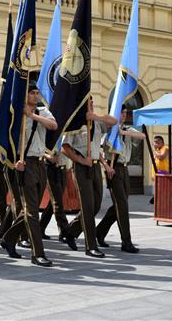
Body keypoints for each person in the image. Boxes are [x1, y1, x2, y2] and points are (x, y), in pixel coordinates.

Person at [0, 84, 58, 266]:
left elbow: (53, 125)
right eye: (31, 93)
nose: (34, 95)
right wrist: (15, 161)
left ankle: (8, 238)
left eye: (35, 93)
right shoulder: (16, 114)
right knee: (32, 212)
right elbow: (6, 140)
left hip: (41, 164)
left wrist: (32, 115)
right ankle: (37, 253)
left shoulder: (42, 111)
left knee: (29, 209)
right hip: (25, 164)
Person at [60, 95, 118, 257]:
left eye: (92, 102)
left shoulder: (97, 121)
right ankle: (90, 246)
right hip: (81, 167)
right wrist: (80, 160)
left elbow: (113, 121)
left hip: (95, 166)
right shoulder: (75, 123)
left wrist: (95, 116)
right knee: (87, 206)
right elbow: (65, 147)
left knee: (97, 205)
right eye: (88, 103)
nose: (91, 104)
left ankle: (70, 232)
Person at [96, 106, 144, 253]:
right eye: (122, 113)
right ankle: (126, 242)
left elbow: (142, 136)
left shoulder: (128, 129)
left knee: (119, 205)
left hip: (124, 168)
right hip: (113, 169)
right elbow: (99, 150)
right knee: (122, 205)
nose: (124, 115)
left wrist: (123, 132)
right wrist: (106, 167)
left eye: (125, 113)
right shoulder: (109, 130)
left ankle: (99, 231)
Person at [39, 137, 70, 242]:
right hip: (51, 168)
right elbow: (41, 149)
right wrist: (50, 157)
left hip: (62, 168)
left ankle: (40, 227)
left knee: (54, 202)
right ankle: (64, 231)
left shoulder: (64, 133)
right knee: (57, 203)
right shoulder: (49, 133)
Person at [149, 135, 170, 204]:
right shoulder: (157, 150)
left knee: (163, 188)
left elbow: (161, 157)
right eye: (154, 142)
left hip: (163, 172)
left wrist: (155, 150)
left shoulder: (165, 148)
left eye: (157, 142)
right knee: (158, 188)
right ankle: (157, 199)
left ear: (162, 143)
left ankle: (160, 200)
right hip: (156, 172)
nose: (155, 144)